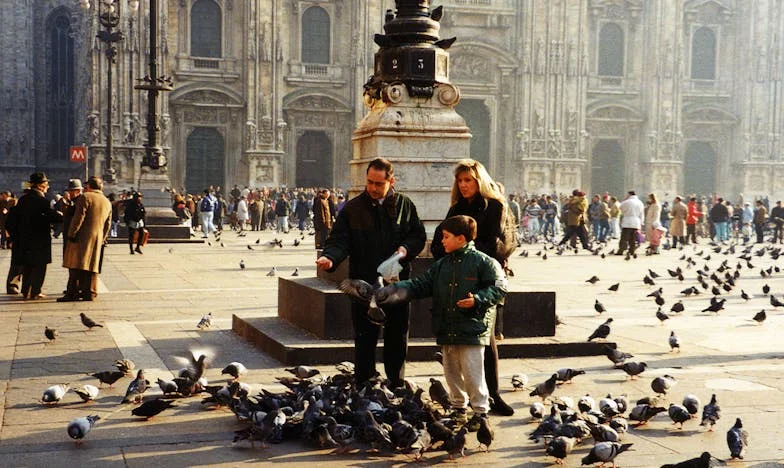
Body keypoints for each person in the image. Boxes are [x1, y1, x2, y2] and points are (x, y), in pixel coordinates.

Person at [382, 215, 506, 423]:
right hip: (447, 327)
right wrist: (393, 290)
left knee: (473, 373)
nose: (441, 240)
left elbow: (499, 289)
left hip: (472, 329)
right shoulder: (441, 265)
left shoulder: (485, 262)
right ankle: (458, 407)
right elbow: (420, 284)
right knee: (451, 373)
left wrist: (477, 300)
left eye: (446, 236)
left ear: (461, 238)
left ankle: (480, 411)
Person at [316, 157, 426, 389]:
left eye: (379, 184)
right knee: (365, 333)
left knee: (397, 332)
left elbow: (418, 235)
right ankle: (365, 380)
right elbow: (339, 239)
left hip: (396, 281)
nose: (373, 188)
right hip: (363, 281)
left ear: (391, 181)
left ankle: (396, 380)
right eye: (370, 183)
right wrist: (330, 257)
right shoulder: (353, 208)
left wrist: (406, 248)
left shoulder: (405, 205)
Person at [430, 159, 515, 416]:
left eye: (469, 180)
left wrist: (468, 261)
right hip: (456, 280)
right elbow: (439, 241)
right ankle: (463, 397)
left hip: (483, 282)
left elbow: (496, 243)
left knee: (486, 339)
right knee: (460, 341)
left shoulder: (495, 207)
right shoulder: (455, 208)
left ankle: (493, 394)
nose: (464, 185)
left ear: (480, 180)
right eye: (460, 180)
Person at [5, 172, 63, 299]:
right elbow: (50, 216)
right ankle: (36, 291)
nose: (48, 185)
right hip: (39, 240)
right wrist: (59, 215)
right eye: (46, 183)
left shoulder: (23, 200)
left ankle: (26, 291)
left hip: (24, 241)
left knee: (27, 266)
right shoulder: (42, 200)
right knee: (39, 266)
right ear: (40, 185)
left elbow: (10, 221)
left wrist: (15, 237)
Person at [59, 177, 111, 302]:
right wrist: (102, 237)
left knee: (75, 264)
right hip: (97, 236)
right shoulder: (106, 201)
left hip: (81, 236)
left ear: (88, 186)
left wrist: (72, 234)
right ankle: (90, 292)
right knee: (92, 265)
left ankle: (72, 292)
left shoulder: (85, 197)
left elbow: (78, 218)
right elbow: (108, 223)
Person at [616, 190, 644, 256]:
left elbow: (620, 208)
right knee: (633, 238)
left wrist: (624, 200)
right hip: (636, 222)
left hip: (627, 221)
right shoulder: (640, 202)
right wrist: (641, 222)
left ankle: (621, 250)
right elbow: (642, 214)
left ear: (629, 195)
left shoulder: (627, 202)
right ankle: (632, 250)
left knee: (624, 237)